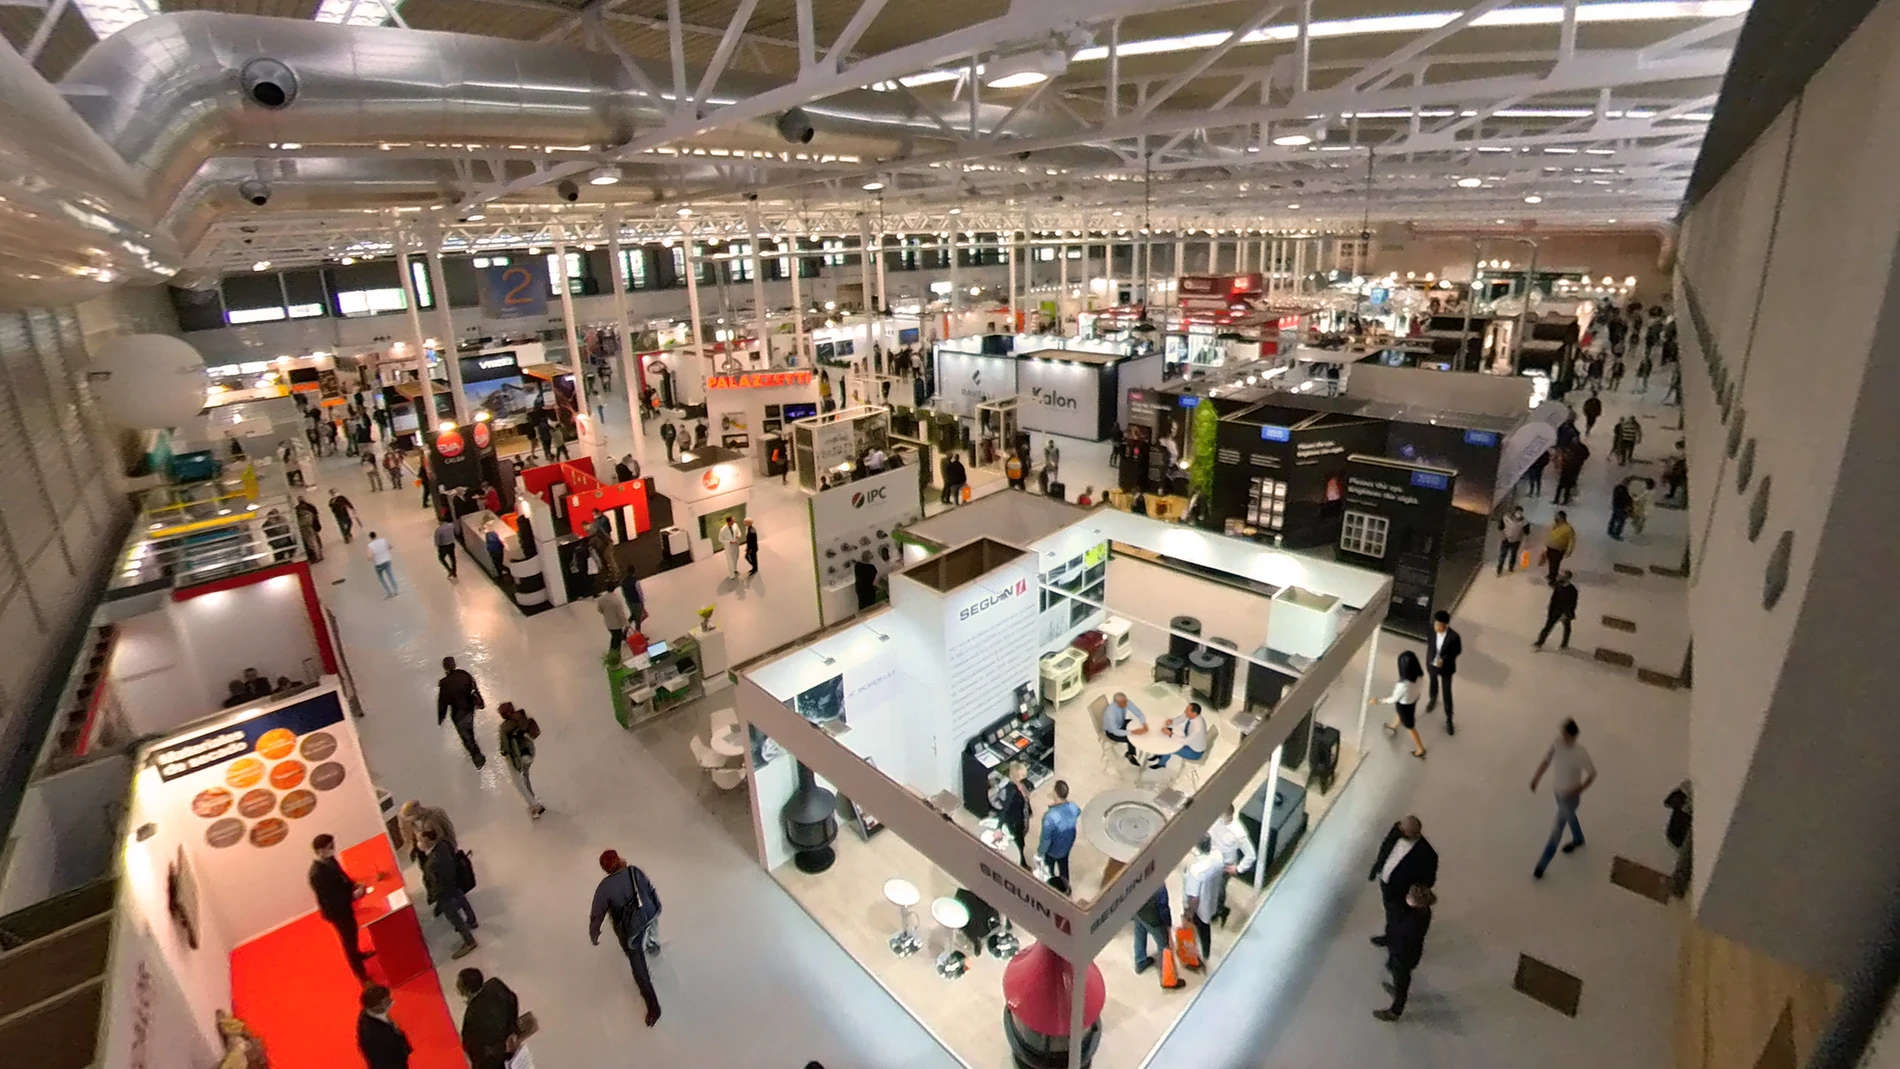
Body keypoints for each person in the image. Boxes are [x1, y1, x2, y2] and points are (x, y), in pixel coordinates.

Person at [589, 850, 663, 1027]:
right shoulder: (634, 871)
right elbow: (650, 889)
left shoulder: (604, 888)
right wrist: (657, 906)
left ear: (605, 868)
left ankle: (654, 1008)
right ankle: (653, 946)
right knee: (650, 930)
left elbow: (597, 915)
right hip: (649, 914)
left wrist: (594, 934)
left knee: (637, 963)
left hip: (632, 930)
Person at [1530, 718, 1597, 879]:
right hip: (1558, 794)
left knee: (1557, 830)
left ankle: (1541, 865)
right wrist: (1536, 778)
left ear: (1573, 736)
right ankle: (1578, 839)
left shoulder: (1580, 753)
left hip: (1570, 799)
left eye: (1565, 734)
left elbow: (1592, 774)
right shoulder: (1557, 743)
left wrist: (1578, 790)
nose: (1562, 736)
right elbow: (1546, 761)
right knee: (1570, 817)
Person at [309, 833, 372, 981]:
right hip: (336, 911)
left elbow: (342, 877)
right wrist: (353, 896)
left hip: (343, 905)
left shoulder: (329, 861)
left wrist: (354, 885)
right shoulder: (317, 874)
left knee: (353, 932)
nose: (333, 849)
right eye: (330, 847)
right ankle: (361, 974)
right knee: (348, 939)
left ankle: (358, 955)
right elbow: (331, 899)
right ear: (320, 851)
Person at [1367, 816, 1438, 944]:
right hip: (1387, 883)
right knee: (1390, 913)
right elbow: (1386, 847)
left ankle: (1399, 942)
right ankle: (1390, 936)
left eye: (1402, 830)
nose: (1398, 830)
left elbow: (1429, 881)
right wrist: (1377, 867)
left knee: (1400, 918)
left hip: (1402, 892)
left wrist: (1414, 892)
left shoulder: (1427, 855)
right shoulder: (1398, 830)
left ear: (1413, 833)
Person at [1373, 885, 1436, 1022]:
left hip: (1405, 955)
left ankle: (1395, 1010)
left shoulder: (1415, 922)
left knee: (1402, 979)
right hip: (1400, 951)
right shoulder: (1416, 912)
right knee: (1392, 968)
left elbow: (1404, 938)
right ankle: (1397, 989)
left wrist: (1393, 942)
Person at [420, 828, 478, 958]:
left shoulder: (433, 862)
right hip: (454, 882)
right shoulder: (444, 845)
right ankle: (472, 920)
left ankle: (469, 941)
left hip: (444, 893)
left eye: (422, 841)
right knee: (463, 901)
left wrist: (434, 896)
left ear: (428, 841)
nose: (420, 843)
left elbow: (435, 882)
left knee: (454, 917)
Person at [455, 968, 522, 1069]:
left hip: (496, 1055)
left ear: (466, 990)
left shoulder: (472, 1017)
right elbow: (512, 1000)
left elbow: (473, 1047)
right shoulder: (495, 985)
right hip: (508, 1040)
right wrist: (513, 1029)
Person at [1206, 804, 1257, 924]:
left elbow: (1251, 855)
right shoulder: (1214, 820)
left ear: (1228, 815)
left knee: (1219, 890)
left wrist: (1238, 869)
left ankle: (1218, 910)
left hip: (1226, 866)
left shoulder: (1238, 832)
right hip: (1212, 858)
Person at [1374, 650, 1428, 758]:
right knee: (1400, 713)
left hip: (1404, 704)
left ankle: (1420, 749)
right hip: (1413, 699)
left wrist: (1379, 701)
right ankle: (1393, 726)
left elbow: (1393, 699)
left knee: (1410, 727)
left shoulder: (1403, 685)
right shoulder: (1419, 676)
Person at [436, 656, 487, 769]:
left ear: (445, 667)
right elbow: (474, 688)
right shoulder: (464, 674)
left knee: (466, 737)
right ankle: (476, 750)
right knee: (469, 730)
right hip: (469, 709)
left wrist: (441, 717)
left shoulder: (445, 683)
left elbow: (442, 702)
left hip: (458, 714)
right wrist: (480, 702)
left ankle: (478, 759)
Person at [1180, 837, 1223, 965]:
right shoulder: (1218, 857)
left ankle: (1201, 954)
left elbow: (1194, 898)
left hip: (1200, 909)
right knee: (1206, 927)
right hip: (1212, 899)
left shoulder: (1196, 870)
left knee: (1201, 929)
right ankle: (1206, 952)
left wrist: (1189, 913)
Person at [498, 703, 545, 818]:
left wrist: (503, 752)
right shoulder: (523, 718)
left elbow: (505, 748)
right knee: (525, 776)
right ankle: (533, 798)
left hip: (517, 757)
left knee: (518, 783)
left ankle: (535, 806)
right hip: (530, 754)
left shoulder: (505, 728)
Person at [1424, 611, 1462, 735]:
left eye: (1438, 625)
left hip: (1446, 668)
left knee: (1447, 692)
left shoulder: (1454, 637)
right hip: (1432, 664)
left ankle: (1449, 719)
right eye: (1435, 624)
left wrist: (1444, 660)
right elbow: (1429, 643)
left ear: (1445, 625)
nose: (1436, 627)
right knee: (1433, 682)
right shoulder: (1431, 630)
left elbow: (1457, 651)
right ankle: (1433, 699)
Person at [1038, 780, 1080, 889]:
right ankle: (1066, 886)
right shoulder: (1073, 807)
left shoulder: (1049, 817)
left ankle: (1051, 886)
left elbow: (1046, 839)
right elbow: (1078, 811)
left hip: (1052, 850)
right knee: (1064, 865)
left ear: (1055, 794)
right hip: (1067, 844)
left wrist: (1040, 853)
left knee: (1048, 868)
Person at [356, 986, 411, 1069]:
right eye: (387, 1001)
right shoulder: (371, 1033)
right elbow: (380, 1060)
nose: (391, 1001)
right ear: (377, 1006)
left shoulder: (375, 1015)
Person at [397, 799, 458, 866]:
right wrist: (413, 849)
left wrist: (453, 849)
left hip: (442, 851)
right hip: (427, 855)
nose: (412, 820)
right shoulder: (410, 823)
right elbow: (408, 838)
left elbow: (449, 830)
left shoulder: (435, 814)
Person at [998, 762, 1032, 869]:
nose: (1025, 777)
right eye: (1022, 775)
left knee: (1022, 838)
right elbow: (1005, 810)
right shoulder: (1010, 791)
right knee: (1019, 842)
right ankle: (1021, 863)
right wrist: (999, 827)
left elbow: (1026, 800)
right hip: (1015, 821)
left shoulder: (1023, 785)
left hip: (1023, 816)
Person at [1131, 885, 1171, 974]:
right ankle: (1166, 974)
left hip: (1137, 910)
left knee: (1139, 933)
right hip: (1152, 918)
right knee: (1163, 945)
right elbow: (1163, 908)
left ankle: (1140, 961)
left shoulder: (1136, 880)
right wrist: (1168, 924)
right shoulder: (1159, 885)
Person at [1536, 570, 1580, 650]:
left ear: (1569, 578)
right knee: (1548, 627)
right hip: (1555, 611)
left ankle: (1564, 644)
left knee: (1567, 629)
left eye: (1565, 577)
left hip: (1565, 612)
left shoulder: (1572, 590)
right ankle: (1540, 642)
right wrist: (1550, 609)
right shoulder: (1559, 587)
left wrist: (1568, 614)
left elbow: (1572, 603)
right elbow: (1554, 599)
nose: (1563, 578)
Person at [1101, 692, 1146, 765]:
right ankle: (1130, 754)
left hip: (1121, 723)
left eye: (1126, 701)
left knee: (1134, 724)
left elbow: (1138, 712)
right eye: (1124, 702)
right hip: (1112, 732)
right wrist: (1132, 732)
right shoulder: (1110, 714)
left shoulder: (1125, 701)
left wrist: (1144, 724)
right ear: (1117, 703)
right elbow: (1115, 731)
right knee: (1131, 738)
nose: (1127, 703)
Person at [1544, 511, 1576, 586]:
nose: (1555, 518)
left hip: (1558, 549)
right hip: (1550, 547)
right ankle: (1551, 574)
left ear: (1562, 518)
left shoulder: (1568, 529)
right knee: (1551, 563)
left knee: (1555, 564)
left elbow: (1571, 541)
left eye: (1557, 517)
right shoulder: (1555, 525)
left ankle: (1553, 579)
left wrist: (1569, 551)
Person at [597, 588, 631, 656]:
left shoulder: (601, 599)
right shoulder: (616, 600)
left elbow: (600, 610)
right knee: (617, 641)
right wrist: (626, 623)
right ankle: (615, 656)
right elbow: (621, 613)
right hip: (616, 624)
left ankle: (612, 654)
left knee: (614, 638)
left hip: (608, 622)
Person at [1497, 505, 1529, 575]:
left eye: (1520, 513)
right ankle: (1499, 570)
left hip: (1516, 541)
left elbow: (1527, 532)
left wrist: (1526, 540)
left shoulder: (1524, 522)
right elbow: (1500, 527)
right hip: (1506, 539)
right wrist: (1502, 535)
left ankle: (1511, 567)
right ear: (1514, 512)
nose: (1519, 514)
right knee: (1503, 554)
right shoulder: (1506, 518)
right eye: (1518, 512)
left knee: (1513, 554)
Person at [368, 531, 399, 596]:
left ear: (370, 538)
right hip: (387, 561)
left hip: (378, 564)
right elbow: (390, 546)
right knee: (390, 575)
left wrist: (369, 558)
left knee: (381, 578)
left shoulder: (370, 545)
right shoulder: (383, 540)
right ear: (376, 535)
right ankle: (396, 590)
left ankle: (389, 592)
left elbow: (370, 556)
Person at [294, 495, 324, 561]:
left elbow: (297, 520)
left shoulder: (298, 509)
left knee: (311, 542)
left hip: (307, 527)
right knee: (314, 540)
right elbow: (316, 515)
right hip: (312, 525)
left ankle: (317, 555)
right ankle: (318, 553)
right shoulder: (310, 507)